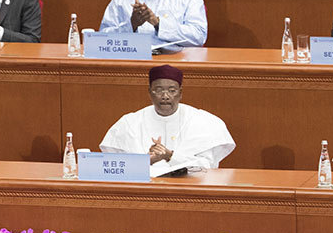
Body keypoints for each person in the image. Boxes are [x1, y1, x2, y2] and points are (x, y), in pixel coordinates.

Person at [100, 64, 235, 177]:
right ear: (149, 92)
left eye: (172, 90)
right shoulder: (130, 123)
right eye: (158, 90)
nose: (165, 96)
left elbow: (206, 167)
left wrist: (170, 156)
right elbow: (120, 165)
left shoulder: (203, 122)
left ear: (180, 93)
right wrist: (147, 160)